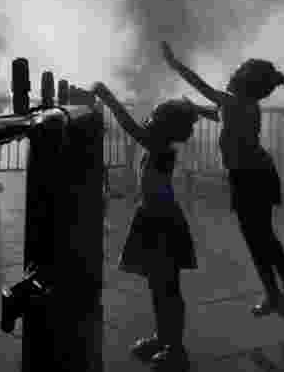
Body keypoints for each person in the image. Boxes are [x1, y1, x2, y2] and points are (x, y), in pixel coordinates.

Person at [161, 42, 284, 319]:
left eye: (237, 72)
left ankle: (281, 291)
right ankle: (281, 290)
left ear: (243, 81)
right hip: (254, 173)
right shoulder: (242, 104)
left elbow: (200, 84)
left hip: (250, 176)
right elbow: (221, 116)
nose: (232, 73)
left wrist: (174, 63)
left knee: (258, 237)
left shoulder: (235, 101)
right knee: (261, 236)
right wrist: (198, 110)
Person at [93, 83, 213, 371]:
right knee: (159, 286)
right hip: (153, 217)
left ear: (163, 127)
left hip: (162, 223)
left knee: (167, 288)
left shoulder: (159, 146)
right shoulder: (161, 144)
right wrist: (194, 108)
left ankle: (176, 348)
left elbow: (130, 126)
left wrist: (108, 97)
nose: (150, 119)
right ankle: (164, 338)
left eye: (155, 117)